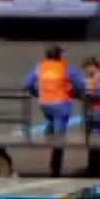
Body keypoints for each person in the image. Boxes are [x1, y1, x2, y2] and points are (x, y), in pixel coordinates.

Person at [24, 45, 86, 177]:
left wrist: (36, 93)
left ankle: (48, 132)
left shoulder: (40, 67)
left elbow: (27, 84)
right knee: (60, 138)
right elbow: (81, 84)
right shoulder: (65, 68)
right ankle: (55, 168)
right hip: (61, 107)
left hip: (45, 105)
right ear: (59, 55)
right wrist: (75, 92)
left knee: (52, 121)